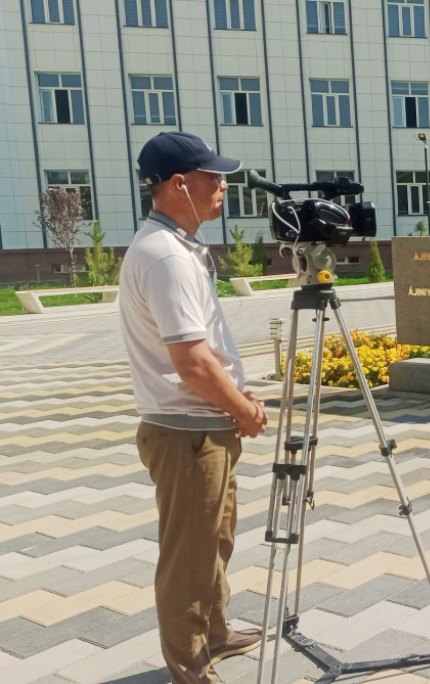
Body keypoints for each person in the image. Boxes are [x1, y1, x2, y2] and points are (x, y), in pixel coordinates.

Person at [119, 131, 268, 683]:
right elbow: (193, 363)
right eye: (214, 177)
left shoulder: (174, 247)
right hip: (188, 433)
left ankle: (217, 633)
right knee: (188, 558)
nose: (223, 186)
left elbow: (204, 356)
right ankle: (190, 670)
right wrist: (243, 410)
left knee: (213, 542)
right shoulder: (165, 257)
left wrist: (236, 399)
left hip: (201, 424)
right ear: (180, 184)